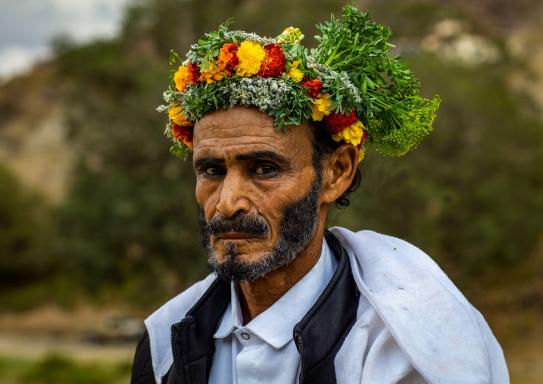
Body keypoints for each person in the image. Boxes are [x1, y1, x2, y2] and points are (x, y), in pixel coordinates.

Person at [131, 6, 508, 384]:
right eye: (212, 170)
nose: (228, 203)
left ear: (337, 173)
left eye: (264, 169)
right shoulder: (165, 340)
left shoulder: (399, 347)